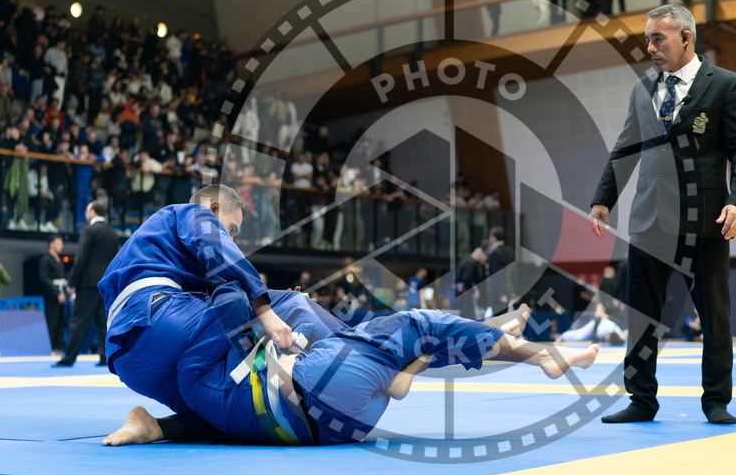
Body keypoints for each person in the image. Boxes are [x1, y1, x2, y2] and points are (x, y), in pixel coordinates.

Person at [99, 184, 599, 446]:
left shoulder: (155, 253)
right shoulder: (190, 215)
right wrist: (266, 306)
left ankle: (152, 427)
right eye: (231, 227)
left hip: (132, 359)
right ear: (211, 206)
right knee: (287, 303)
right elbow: (219, 255)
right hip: (158, 316)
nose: (229, 237)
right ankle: (400, 351)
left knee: (209, 410)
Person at [589, 4, 736, 425]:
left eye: (657, 38)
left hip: (704, 223)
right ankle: (641, 400)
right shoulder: (642, 89)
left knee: (715, 316)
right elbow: (626, 147)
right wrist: (603, 198)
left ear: (685, 38)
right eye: (647, 39)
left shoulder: (727, 85)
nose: (649, 47)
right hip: (648, 221)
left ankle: (716, 401)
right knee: (641, 317)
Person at [54, 201, 120, 367]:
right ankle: (106, 357)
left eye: (87, 210)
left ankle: (69, 358)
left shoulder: (89, 230)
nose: (85, 213)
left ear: (93, 212)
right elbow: (115, 260)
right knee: (103, 322)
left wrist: (72, 282)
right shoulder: (112, 233)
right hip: (105, 284)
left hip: (88, 283)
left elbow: (81, 258)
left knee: (78, 322)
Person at [39, 234, 69, 354]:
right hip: (51, 295)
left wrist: (67, 293)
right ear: (51, 244)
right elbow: (44, 278)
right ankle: (50, 348)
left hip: (61, 293)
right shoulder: (46, 259)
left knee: (62, 321)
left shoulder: (59, 260)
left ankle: (58, 348)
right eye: (58, 243)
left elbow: (63, 278)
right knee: (52, 321)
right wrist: (57, 293)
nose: (61, 246)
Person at [485, 226, 516, 316]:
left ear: (493, 237)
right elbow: (514, 272)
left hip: (497, 293)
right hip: (509, 290)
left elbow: (496, 275)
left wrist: (500, 293)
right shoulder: (510, 251)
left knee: (497, 321)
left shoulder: (495, 253)